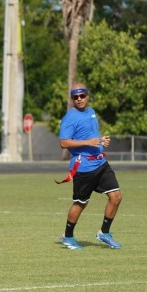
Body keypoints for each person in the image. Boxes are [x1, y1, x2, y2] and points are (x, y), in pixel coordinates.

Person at [58, 83, 123, 250]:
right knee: (80, 203)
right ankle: (68, 236)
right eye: (75, 97)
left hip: (101, 163)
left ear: (87, 96)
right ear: (72, 99)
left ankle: (104, 233)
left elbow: (92, 135)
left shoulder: (91, 112)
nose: (79, 99)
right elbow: (63, 142)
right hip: (83, 167)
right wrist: (88, 142)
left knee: (116, 196)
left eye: (82, 96)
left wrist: (102, 140)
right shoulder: (69, 118)